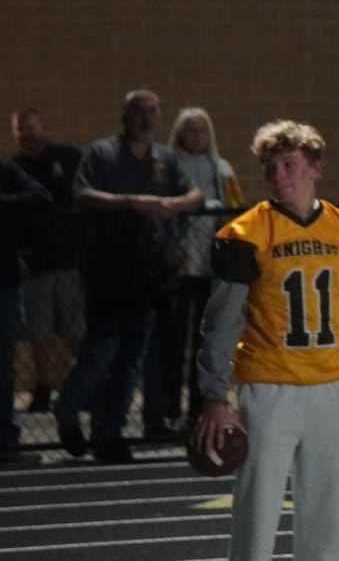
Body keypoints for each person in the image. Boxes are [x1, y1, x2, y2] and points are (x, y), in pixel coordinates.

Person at [194, 120, 339, 561]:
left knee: (325, 517)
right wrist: (215, 395)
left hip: (332, 388)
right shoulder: (244, 233)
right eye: (271, 168)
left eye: (289, 165)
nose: (279, 176)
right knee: (256, 515)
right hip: (269, 389)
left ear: (315, 168)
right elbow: (220, 323)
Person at [58, 89, 200, 462]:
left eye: (153, 111)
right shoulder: (102, 153)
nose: (146, 117)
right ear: (125, 116)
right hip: (108, 267)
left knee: (133, 357)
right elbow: (82, 194)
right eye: (139, 111)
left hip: (149, 270)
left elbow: (195, 193)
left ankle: (109, 432)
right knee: (102, 351)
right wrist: (131, 203)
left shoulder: (165, 159)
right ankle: (68, 409)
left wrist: (174, 205)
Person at [165, 107, 244, 430]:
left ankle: (198, 409)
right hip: (177, 265)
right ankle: (169, 408)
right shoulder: (167, 165)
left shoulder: (221, 169)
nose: (195, 136)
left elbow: (236, 210)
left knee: (204, 342)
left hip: (210, 267)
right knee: (171, 341)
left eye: (201, 129)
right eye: (189, 129)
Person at [9, 107, 85, 416]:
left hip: (70, 260)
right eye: (21, 129)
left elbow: (84, 199)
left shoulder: (67, 159)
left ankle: (81, 385)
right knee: (40, 331)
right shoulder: (14, 169)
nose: (28, 133)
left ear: (44, 127)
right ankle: (43, 388)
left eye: (32, 127)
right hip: (36, 263)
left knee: (76, 328)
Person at [0, 158, 51, 453]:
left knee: (5, 365)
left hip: (5, 284)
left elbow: (39, 197)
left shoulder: (6, 171)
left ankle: (6, 436)